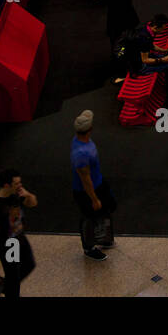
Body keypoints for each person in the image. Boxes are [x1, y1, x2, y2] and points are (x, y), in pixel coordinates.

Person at [0, 168, 38, 298]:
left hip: (20, 237)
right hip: (9, 244)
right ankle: (9, 289)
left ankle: (5, 286)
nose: (20, 186)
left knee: (30, 264)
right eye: (16, 183)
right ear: (6, 185)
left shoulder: (16, 195)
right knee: (14, 280)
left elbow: (33, 204)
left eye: (20, 182)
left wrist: (28, 195)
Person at [70, 110, 114, 261]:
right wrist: (94, 199)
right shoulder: (81, 154)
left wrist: (87, 114)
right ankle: (89, 248)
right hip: (86, 191)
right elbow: (85, 179)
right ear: (90, 130)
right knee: (90, 217)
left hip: (98, 182)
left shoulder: (80, 139)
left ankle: (104, 238)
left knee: (106, 210)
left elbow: (87, 115)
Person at [116, 15, 168, 97]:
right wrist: (163, 59)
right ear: (156, 27)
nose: (163, 30)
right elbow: (145, 60)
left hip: (138, 57)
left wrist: (164, 50)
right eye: (162, 28)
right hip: (139, 66)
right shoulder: (143, 38)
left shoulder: (147, 29)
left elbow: (151, 45)